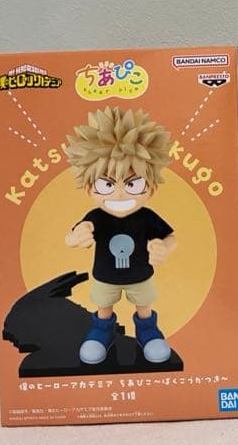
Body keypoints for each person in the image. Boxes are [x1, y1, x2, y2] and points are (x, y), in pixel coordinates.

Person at [65, 107, 176, 364]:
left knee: (144, 307)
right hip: (105, 278)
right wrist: (75, 237)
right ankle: (101, 332)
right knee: (103, 307)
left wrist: (164, 247)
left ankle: (148, 331)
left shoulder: (147, 216)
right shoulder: (96, 216)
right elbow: (73, 235)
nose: (119, 194)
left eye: (132, 184)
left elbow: (171, 236)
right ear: (88, 187)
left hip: (141, 276)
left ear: (151, 187)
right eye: (106, 184)